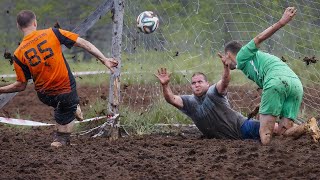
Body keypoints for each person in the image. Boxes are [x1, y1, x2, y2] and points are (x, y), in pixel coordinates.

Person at [0, 10, 118, 147]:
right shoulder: (53, 32)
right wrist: (104, 60)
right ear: (35, 22)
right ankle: (62, 136)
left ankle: (70, 110)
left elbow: (20, 86)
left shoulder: (18, 54)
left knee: (62, 106)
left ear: (18, 27)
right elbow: (83, 43)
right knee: (62, 131)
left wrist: (1, 90)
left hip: (45, 96)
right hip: (66, 90)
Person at [154, 55, 320, 142]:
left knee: (278, 131)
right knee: (277, 134)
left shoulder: (213, 92)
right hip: (230, 140)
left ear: (207, 83)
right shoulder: (189, 102)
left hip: (242, 128)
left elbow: (225, 82)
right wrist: (165, 85)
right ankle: (306, 128)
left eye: (200, 82)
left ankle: (308, 128)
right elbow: (171, 99)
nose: (196, 85)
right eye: (193, 83)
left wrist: (226, 68)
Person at [220, 7, 309, 145]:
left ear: (228, 54)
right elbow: (273, 90)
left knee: (265, 134)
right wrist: (259, 107)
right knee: (283, 133)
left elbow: (259, 38)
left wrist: (282, 22)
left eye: (225, 58)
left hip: (277, 81)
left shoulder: (242, 54)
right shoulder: (254, 61)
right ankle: (309, 127)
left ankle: (266, 160)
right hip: (296, 85)